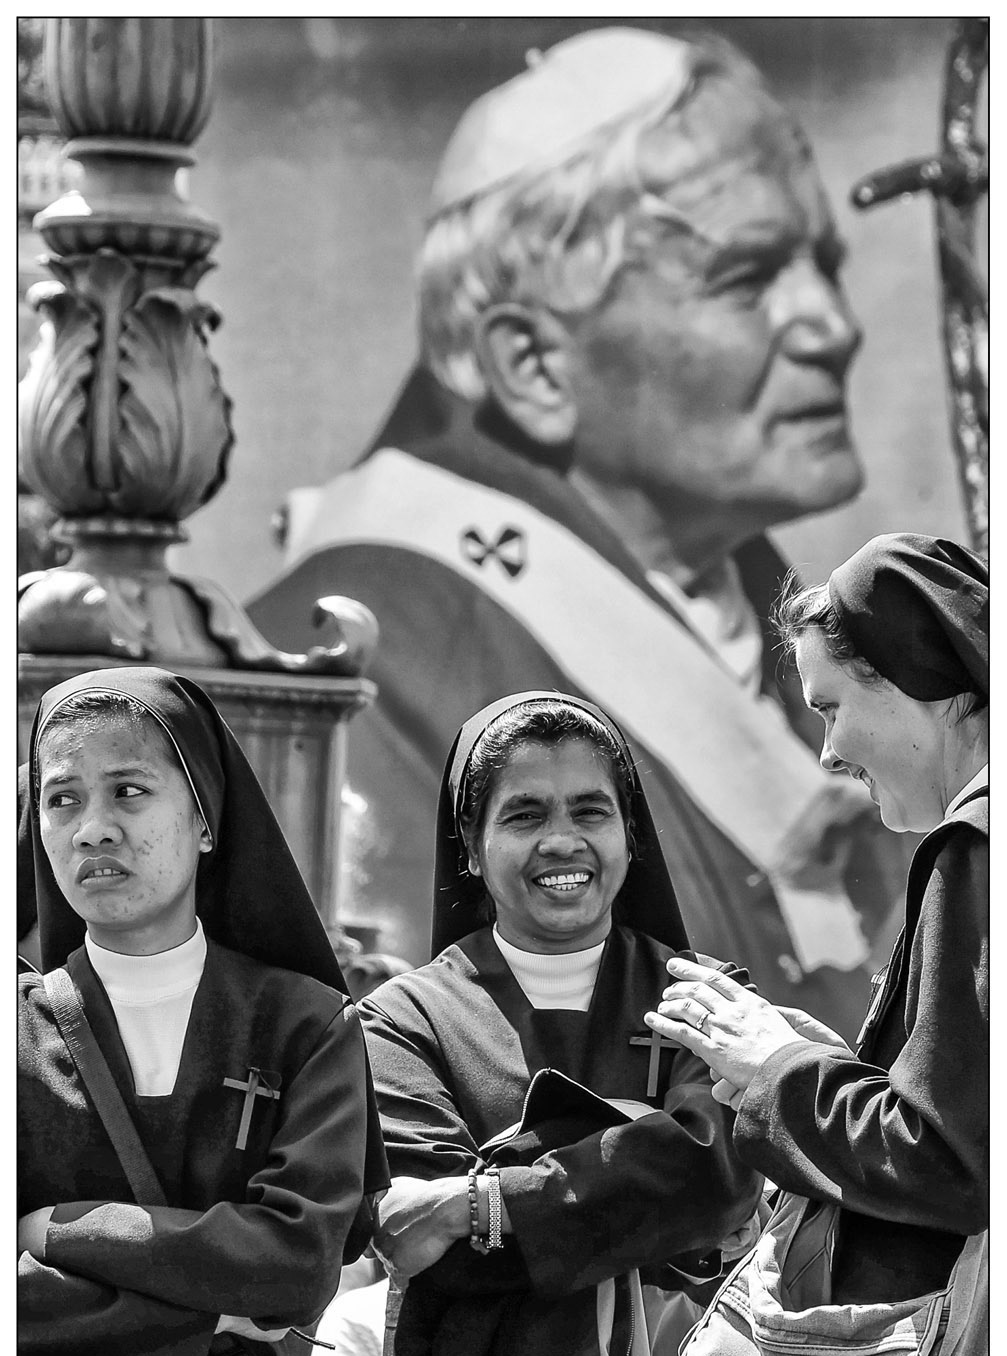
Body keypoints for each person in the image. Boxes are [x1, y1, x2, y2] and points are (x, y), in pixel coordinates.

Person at [247, 24, 910, 1031]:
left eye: (820, 263)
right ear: (533, 366)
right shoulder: (346, 674)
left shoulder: (780, 623)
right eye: (746, 277)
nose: (833, 326)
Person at [346, 691, 764, 1356]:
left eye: (589, 811)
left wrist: (482, 1200)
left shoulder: (707, 998)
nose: (562, 840)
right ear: (471, 848)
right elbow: (426, 1244)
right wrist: (644, 1158)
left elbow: (717, 1179)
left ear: (629, 835)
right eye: (524, 814)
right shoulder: (401, 1021)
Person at [643, 534, 988, 1356]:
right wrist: (830, 1067)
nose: (828, 752)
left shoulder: (976, 848)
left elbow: (950, 1165)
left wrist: (776, 1067)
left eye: (831, 708)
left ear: (910, 679)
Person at [18, 666, 389, 1356]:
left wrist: (58, 1230)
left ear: (206, 821)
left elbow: (296, 1265)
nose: (93, 828)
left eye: (129, 791)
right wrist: (207, 1313)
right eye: (62, 798)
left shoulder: (305, 1025)